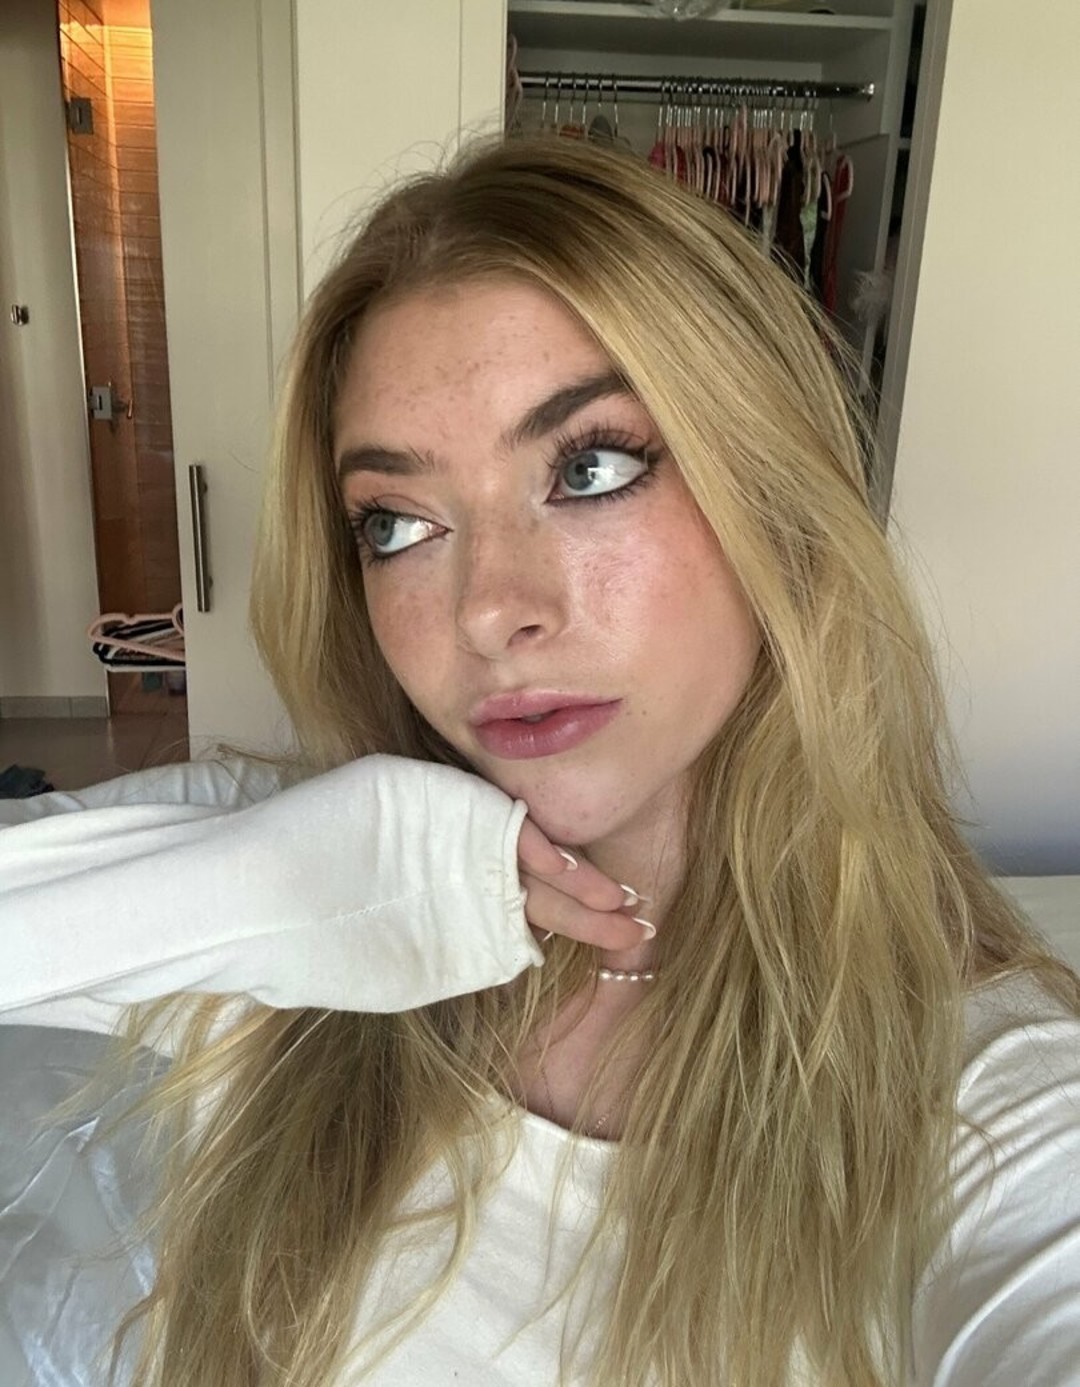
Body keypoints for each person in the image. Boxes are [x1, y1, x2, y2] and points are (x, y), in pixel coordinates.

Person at [2, 135, 1079, 1387]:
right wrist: (270, 894)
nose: (487, 610)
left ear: (774, 500)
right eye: (398, 523)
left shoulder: (985, 1096)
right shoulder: (309, 864)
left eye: (591, 468)